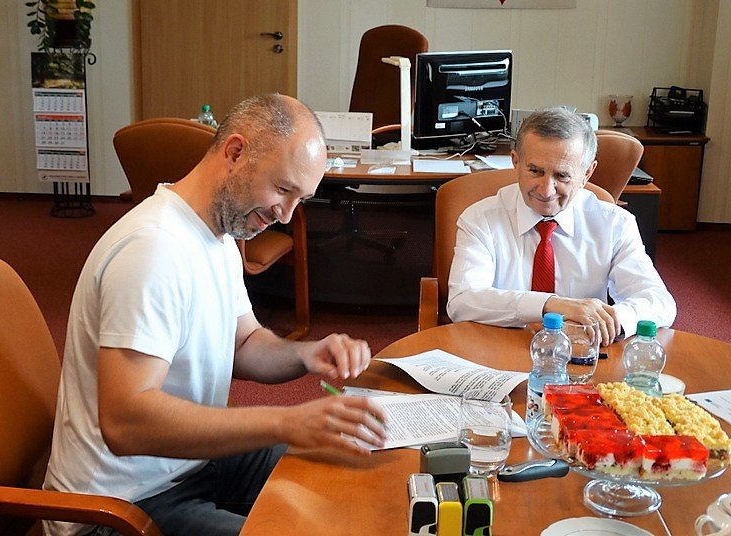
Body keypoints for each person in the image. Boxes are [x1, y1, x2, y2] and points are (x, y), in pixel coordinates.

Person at [43, 94, 387, 536]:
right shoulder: (153, 249)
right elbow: (125, 422)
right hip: (118, 506)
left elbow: (244, 344)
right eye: (283, 190)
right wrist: (285, 420)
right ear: (235, 152)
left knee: (346, 480)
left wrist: (306, 354)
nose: (285, 216)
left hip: (188, 464)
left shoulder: (217, 234)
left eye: (300, 199)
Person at [446, 107, 676, 345]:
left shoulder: (615, 224)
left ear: (587, 173)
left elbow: (659, 302)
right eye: (535, 171)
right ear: (516, 162)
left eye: (562, 176)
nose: (546, 191)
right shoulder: (480, 218)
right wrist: (552, 305)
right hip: (498, 347)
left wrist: (607, 321)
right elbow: (462, 301)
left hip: (580, 352)